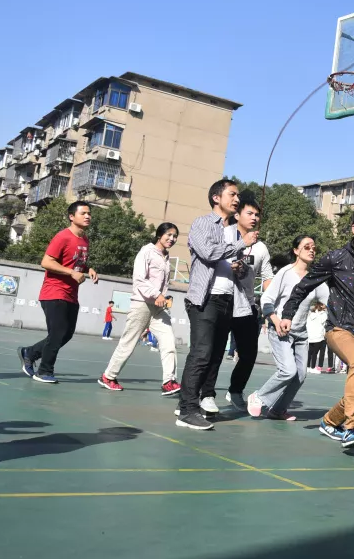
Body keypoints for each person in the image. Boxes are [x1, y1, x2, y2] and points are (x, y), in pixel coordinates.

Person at [281, 204, 354, 449]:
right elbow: (304, 286)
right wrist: (287, 314)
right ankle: (352, 428)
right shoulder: (335, 258)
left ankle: (329, 421)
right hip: (339, 329)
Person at [177, 179, 258, 431]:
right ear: (216, 198)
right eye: (232, 195)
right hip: (205, 298)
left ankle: (198, 401)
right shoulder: (203, 223)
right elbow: (208, 253)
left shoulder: (234, 231)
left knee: (214, 357)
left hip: (227, 300)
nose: (236, 199)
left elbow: (236, 266)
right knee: (201, 353)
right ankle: (187, 410)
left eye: (237, 196)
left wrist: (240, 265)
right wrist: (241, 243)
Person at [18, 201, 100, 384]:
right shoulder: (62, 237)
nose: (88, 216)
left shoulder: (84, 239)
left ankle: (29, 353)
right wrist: (72, 272)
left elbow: (76, 261)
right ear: (72, 217)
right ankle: (44, 371)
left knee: (66, 334)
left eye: (89, 213)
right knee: (57, 333)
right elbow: (46, 262)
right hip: (54, 292)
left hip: (71, 294)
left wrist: (90, 268)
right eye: (83, 213)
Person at [249, 235, 328, 421]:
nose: (311, 250)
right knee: (288, 371)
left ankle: (277, 410)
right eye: (306, 246)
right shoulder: (285, 273)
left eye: (314, 247)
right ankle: (259, 397)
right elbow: (266, 299)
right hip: (280, 330)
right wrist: (275, 321)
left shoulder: (314, 278)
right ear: (296, 251)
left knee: (300, 375)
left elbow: (330, 301)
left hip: (301, 333)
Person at [97, 223, 181, 394]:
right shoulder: (146, 252)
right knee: (128, 342)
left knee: (168, 342)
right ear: (159, 235)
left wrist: (163, 298)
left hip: (159, 307)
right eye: (169, 235)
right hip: (142, 303)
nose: (172, 239)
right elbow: (139, 280)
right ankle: (108, 376)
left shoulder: (166, 257)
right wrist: (156, 294)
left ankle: (169, 381)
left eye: (175, 236)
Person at [215, 194, 273, 411]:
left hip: (247, 306)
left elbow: (268, 277)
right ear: (237, 214)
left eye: (258, 214)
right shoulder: (223, 236)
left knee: (248, 354)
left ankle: (236, 390)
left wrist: (271, 301)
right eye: (250, 213)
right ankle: (204, 394)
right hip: (222, 302)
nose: (254, 218)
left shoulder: (261, 248)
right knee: (214, 352)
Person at [306, 302, 329, 372]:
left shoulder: (311, 314)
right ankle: (313, 367)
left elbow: (308, 324)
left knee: (310, 352)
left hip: (311, 335)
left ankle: (307, 367)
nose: (326, 305)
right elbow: (324, 323)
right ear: (321, 306)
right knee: (315, 353)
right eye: (324, 304)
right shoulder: (324, 314)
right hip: (318, 335)